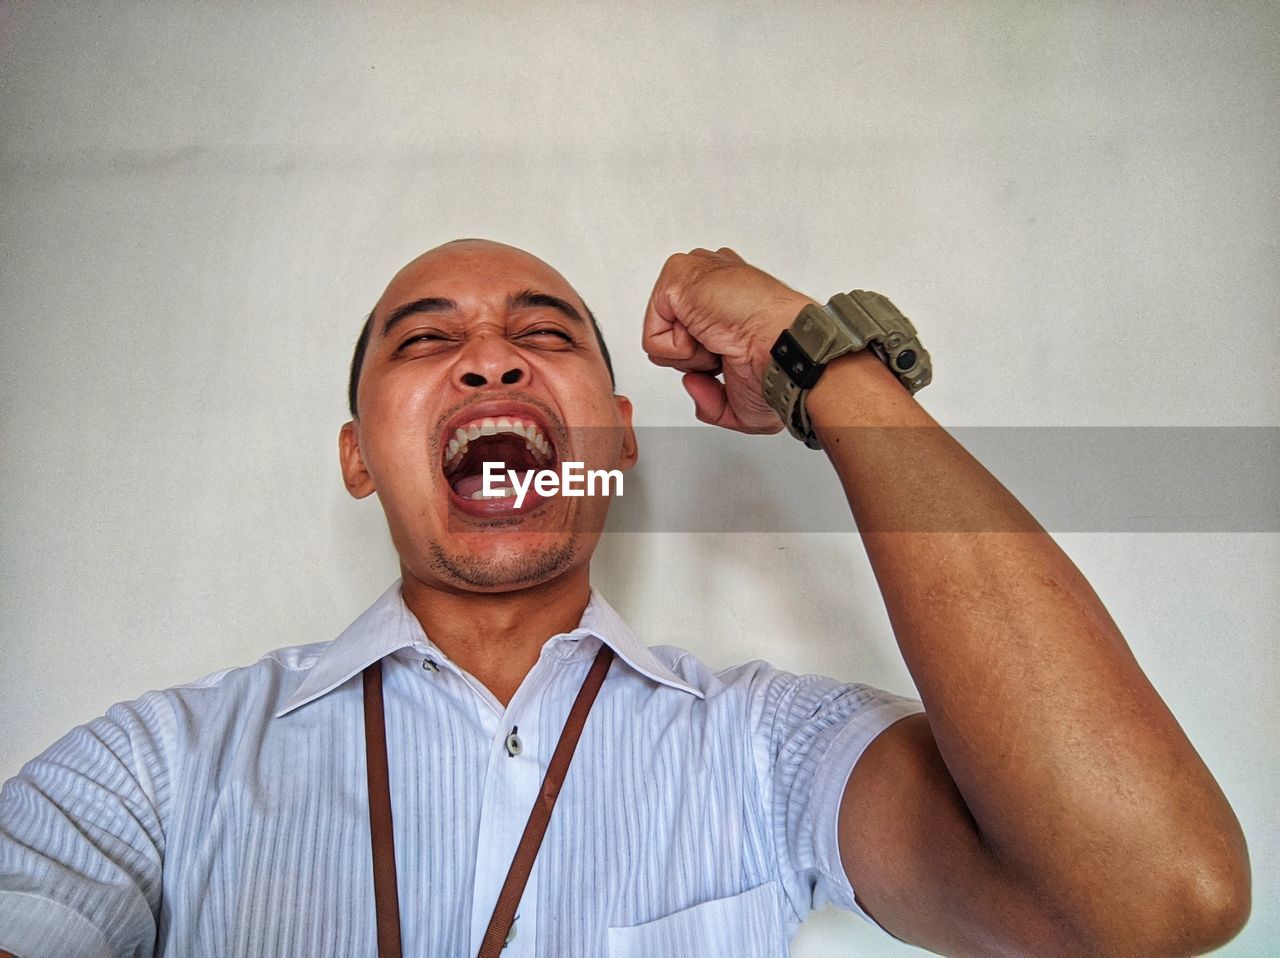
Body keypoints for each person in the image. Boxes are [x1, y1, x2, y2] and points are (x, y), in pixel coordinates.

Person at [0, 239, 1250, 957]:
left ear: (615, 440)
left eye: (542, 337)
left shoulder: (766, 750)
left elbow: (1151, 892)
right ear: (357, 456)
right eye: (426, 341)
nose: (489, 353)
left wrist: (831, 365)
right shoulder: (158, 772)